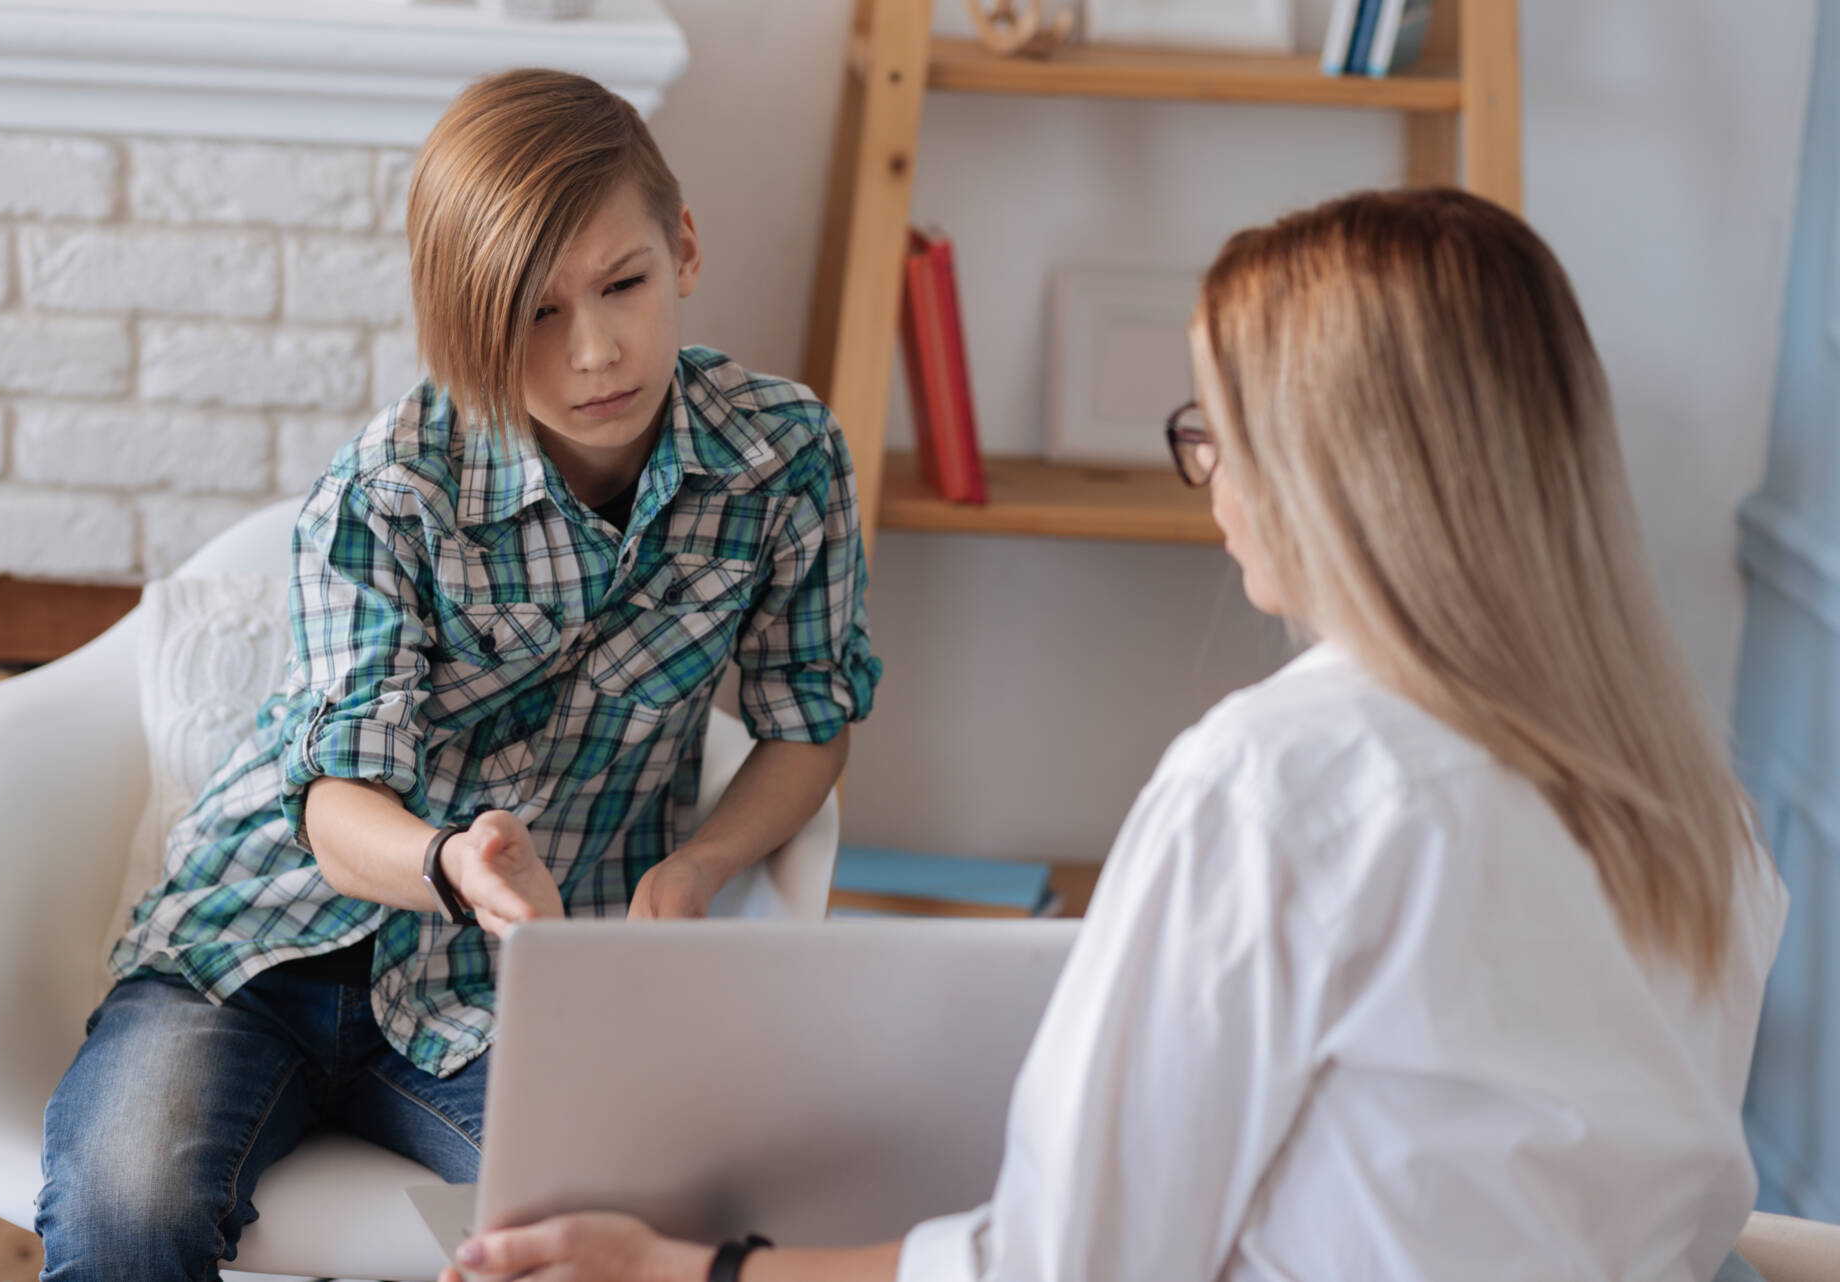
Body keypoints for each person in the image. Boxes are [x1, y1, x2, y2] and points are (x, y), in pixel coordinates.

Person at [442, 188, 1787, 1282]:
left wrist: (693, 1270)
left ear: (1332, 464)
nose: (1211, 477)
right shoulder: (1699, 815)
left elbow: (1061, 1265)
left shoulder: (1282, 781)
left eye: (1216, 432)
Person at [34, 68, 881, 1282]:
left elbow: (811, 720)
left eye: (623, 285)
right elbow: (334, 812)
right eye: (535, 315)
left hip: (517, 990)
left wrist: (696, 869)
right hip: (258, 954)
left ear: (683, 244)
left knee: (661, 1220)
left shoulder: (782, 460)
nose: (595, 350)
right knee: (125, 1203)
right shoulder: (391, 489)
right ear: (466, 322)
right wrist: (450, 863)